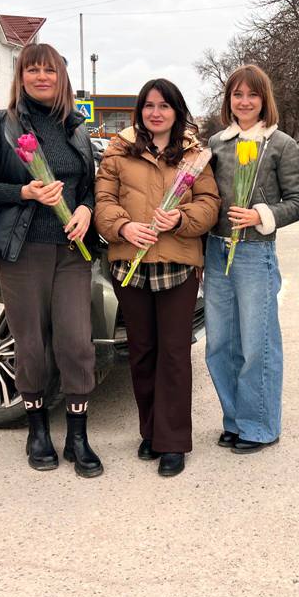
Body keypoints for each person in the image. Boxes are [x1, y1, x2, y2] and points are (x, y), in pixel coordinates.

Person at [0, 43, 101, 476]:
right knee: (31, 343)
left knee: (76, 341)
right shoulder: (1, 126)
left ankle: (78, 435)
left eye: (50, 70)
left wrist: (86, 209)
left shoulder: (76, 129)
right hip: (23, 250)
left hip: (72, 250)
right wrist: (24, 191)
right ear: (21, 76)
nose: (42, 77)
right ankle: (37, 429)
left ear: (62, 77)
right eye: (33, 70)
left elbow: (89, 186)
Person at [94, 79, 219, 477]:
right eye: (149, 105)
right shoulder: (118, 150)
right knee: (142, 351)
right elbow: (103, 201)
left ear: (176, 111)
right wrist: (123, 227)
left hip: (178, 266)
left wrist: (181, 218)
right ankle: (150, 431)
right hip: (130, 266)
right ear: (140, 111)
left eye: (164, 105)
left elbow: (210, 204)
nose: (156, 112)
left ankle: (173, 441)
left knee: (174, 353)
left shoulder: (194, 155)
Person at [204, 65, 299, 453]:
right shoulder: (216, 143)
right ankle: (234, 420)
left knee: (256, 344)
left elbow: (298, 201)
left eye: (252, 95)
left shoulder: (281, 144)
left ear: (265, 100)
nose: (244, 102)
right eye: (237, 95)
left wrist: (260, 215)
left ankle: (260, 425)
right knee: (220, 344)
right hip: (216, 251)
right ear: (228, 100)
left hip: (254, 252)